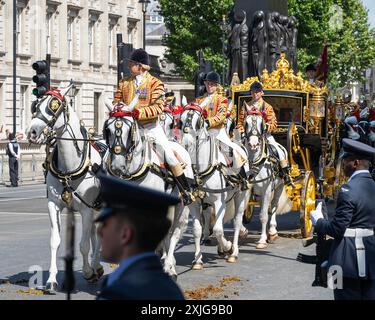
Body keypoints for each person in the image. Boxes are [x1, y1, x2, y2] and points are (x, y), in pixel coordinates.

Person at [113, 48, 194, 205]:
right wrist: (119, 108)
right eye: (130, 63)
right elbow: (116, 101)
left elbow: (158, 107)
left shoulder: (156, 84)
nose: (129, 65)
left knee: (169, 155)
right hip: (128, 127)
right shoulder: (124, 83)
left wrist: (139, 113)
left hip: (150, 127)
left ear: (141, 66)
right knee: (113, 149)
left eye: (132, 63)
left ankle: (186, 191)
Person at [96, 174, 185, 300]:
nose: (99, 232)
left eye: (105, 225)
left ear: (125, 235)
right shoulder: (169, 288)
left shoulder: (119, 292)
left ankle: (185, 187)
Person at [310, 138, 375, 300]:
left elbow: (336, 229)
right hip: (372, 260)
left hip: (342, 261)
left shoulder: (347, 189)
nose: (343, 164)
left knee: (340, 295)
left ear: (356, 163)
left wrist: (318, 221)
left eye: (346, 160)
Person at [194, 71, 248, 181]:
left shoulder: (221, 99)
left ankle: (243, 179)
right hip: (202, 133)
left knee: (231, 152)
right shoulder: (199, 100)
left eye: (212, 84)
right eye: (208, 84)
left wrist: (208, 122)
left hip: (217, 132)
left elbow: (221, 116)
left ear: (217, 86)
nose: (209, 86)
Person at [237, 81, 293, 185]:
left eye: (257, 92)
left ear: (262, 93)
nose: (255, 94)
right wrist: (242, 131)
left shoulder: (267, 107)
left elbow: (273, 123)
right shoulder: (245, 106)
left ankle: (286, 174)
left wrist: (265, 128)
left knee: (278, 150)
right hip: (248, 137)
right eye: (253, 92)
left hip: (264, 135)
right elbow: (240, 123)